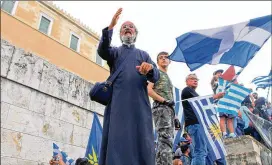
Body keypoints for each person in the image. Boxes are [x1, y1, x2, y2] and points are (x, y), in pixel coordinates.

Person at [97, 8, 160, 165]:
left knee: (142, 140)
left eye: (130, 26)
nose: (127, 28)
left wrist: (150, 69)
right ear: (120, 34)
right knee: (117, 141)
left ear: (135, 33)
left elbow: (156, 76)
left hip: (139, 104)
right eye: (124, 27)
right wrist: (110, 27)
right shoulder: (115, 53)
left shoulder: (143, 55)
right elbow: (102, 50)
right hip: (118, 104)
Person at [182, 73, 225, 165]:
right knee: (200, 151)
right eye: (192, 79)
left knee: (205, 151)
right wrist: (216, 96)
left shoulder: (192, 92)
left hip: (199, 125)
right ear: (187, 82)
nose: (195, 80)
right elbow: (201, 101)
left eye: (196, 79)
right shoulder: (187, 90)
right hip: (195, 124)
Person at [147, 51, 175, 165]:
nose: (164, 59)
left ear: (169, 61)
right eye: (161, 58)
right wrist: (164, 101)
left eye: (166, 57)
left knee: (164, 141)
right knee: (165, 140)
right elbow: (149, 90)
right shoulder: (156, 72)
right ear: (157, 61)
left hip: (168, 109)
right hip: (161, 108)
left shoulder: (166, 76)